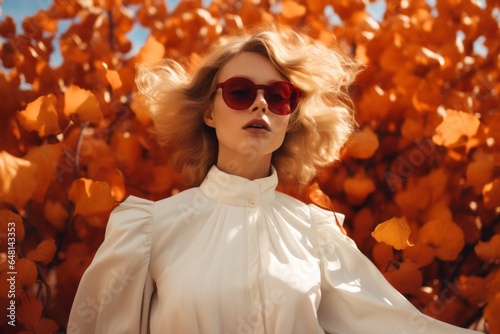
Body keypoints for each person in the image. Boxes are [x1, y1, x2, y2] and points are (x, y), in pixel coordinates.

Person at [67, 24, 478, 333]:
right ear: (209, 112)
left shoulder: (317, 234)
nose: (261, 104)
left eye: (279, 95)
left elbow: (397, 326)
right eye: (241, 92)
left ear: (289, 117)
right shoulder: (149, 230)